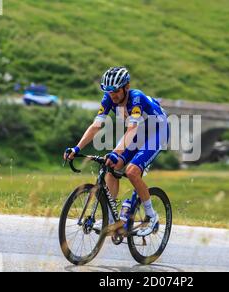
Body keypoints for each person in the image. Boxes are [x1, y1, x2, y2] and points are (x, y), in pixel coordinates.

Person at [64, 67, 169, 236]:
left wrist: (117, 151)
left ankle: (151, 216)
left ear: (126, 86)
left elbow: (132, 128)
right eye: (109, 91)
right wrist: (76, 148)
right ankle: (113, 221)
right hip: (137, 132)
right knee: (111, 166)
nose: (112, 95)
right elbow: (96, 126)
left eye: (115, 91)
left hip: (157, 131)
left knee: (132, 171)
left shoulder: (136, 98)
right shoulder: (108, 99)